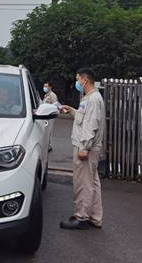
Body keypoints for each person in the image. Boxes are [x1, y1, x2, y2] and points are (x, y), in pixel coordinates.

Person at [59, 68, 105, 230]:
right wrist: (71, 110)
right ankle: (95, 217)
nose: (77, 82)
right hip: (89, 147)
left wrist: (84, 147)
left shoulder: (93, 99)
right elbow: (84, 118)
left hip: (86, 147)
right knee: (92, 182)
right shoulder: (90, 97)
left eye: (78, 79)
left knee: (83, 183)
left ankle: (81, 217)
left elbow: (91, 125)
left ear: (84, 80)